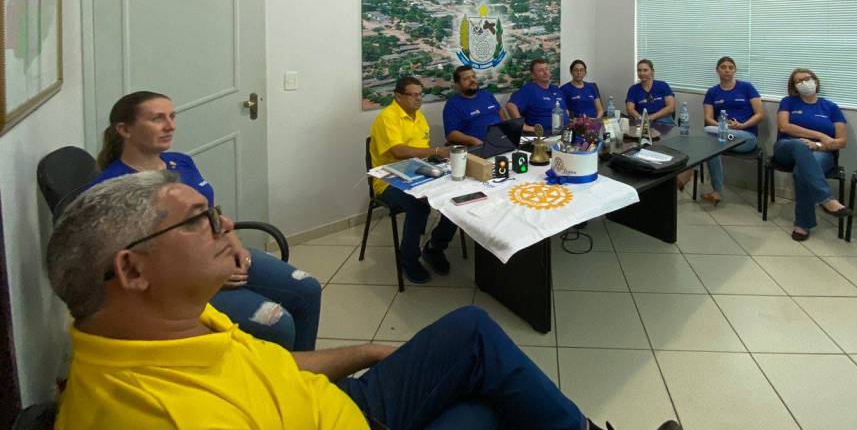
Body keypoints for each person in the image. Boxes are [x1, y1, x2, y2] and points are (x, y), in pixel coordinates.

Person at [46, 171, 683, 430]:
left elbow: (274, 365)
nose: (226, 226)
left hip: (341, 403)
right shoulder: (152, 415)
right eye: (199, 220)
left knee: (470, 332)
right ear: (132, 269)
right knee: (488, 408)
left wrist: (370, 351)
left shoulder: (179, 320)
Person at [91, 91, 321, 351]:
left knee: (307, 288)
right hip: (174, 283)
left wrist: (235, 244)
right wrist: (209, 274)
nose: (170, 126)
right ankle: (270, 372)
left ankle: (304, 370)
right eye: (157, 119)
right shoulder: (113, 189)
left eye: (172, 116)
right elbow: (130, 263)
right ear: (124, 129)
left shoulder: (180, 162)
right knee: (277, 322)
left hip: (218, 253)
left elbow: (211, 214)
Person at [370, 76, 457, 284]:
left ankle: (435, 247)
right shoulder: (387, 117)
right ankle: (408, 259)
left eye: (420, 94)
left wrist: (439, 160)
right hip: (389, 178)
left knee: (454, 196)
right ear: (398, 96)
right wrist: (437, 151)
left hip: (419, 171)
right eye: (413, 95)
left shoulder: (419, 117)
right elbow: (399, 151)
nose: (418, 99)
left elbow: (422, 153)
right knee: (419, 206)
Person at [774, 68, 851, 241]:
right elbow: (784, 127)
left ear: (815, 81)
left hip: (820, 152)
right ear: (794, 86)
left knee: (802, 171)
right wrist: (821, 136)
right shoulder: (788, 102)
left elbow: (841, 141)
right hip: (787, 147)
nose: (804, 83)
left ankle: (803, 224)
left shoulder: (831, 107)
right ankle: (826, 198)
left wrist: (818, 145)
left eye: (807, 79)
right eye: (798, 81)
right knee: (799, 144)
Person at [700, 56, 764, 204]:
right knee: (711, 144)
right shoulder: (712, 92)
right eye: (723, 67)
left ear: (735, 70)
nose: (727, 70)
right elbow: (708, 118)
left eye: (730, 67)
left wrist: (742, 125)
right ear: (717, 70)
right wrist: (723, 127)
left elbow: (760, 115)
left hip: (744, 138)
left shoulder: (747, 87)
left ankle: (686, 175)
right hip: (724, 137)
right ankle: (717, 192)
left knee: (707, 133)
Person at [442, 65, 506, 146]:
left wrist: (508, 130)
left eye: (473, 77)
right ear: (457, 84)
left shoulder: (486, 94)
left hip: (501, 140)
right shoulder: (452, 104)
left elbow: (500, 113)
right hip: (478, 146)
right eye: (466, 79)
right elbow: (451, 135)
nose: (472, 80)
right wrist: (473, 141)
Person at [505, 58, 566, 133]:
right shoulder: (529, 89)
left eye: (547, 69)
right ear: (533, 75)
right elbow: (510, 106)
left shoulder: (556, 89)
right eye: (541, 70)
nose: (545, 72)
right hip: (543, 135)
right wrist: (523, 127)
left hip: (563, 132)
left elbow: (565, 109)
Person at [626, 59, 676, 126]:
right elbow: (630, 109)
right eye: (639, 70)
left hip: (664, 121)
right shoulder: (633, 89)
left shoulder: (663, 85)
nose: (642, 73)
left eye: (645, 70)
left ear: (652, 71)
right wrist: (642, 119)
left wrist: (651, 117)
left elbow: (671, 108)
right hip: (643, 122)